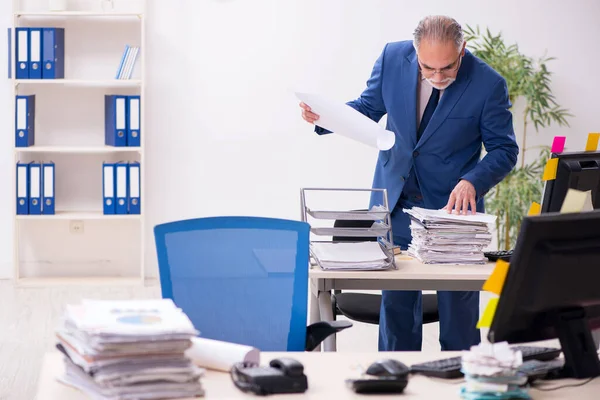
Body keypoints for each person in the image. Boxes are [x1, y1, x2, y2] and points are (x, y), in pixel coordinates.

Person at [299, 15, 519, 351]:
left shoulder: (489, 84)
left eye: (446, 68)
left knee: (459, 317)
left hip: (453, 216)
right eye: (427, 68)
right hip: (395, 205)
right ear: (415, 52)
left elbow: (504, 149)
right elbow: (366, 108)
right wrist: (324, 116)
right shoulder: (391, 58)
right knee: (398, 311)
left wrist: (472, 181)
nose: (437, 77)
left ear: (463, 50)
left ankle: (461, 381)